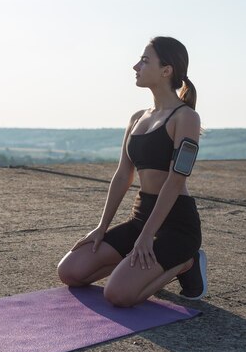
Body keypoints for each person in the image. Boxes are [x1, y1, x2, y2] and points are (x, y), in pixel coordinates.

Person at [57, 36, 207, 307]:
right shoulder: (137, 118)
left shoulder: (186, 118)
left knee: (118, 295)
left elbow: (175, 181)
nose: (135, 66)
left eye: (145, 60)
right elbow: (122, 175)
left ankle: (187, 262)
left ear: (166, 70)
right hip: (141, 219)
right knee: (70, 271)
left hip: (176, 225)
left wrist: (148, 236)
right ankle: (137, 270)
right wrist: (101, 228)